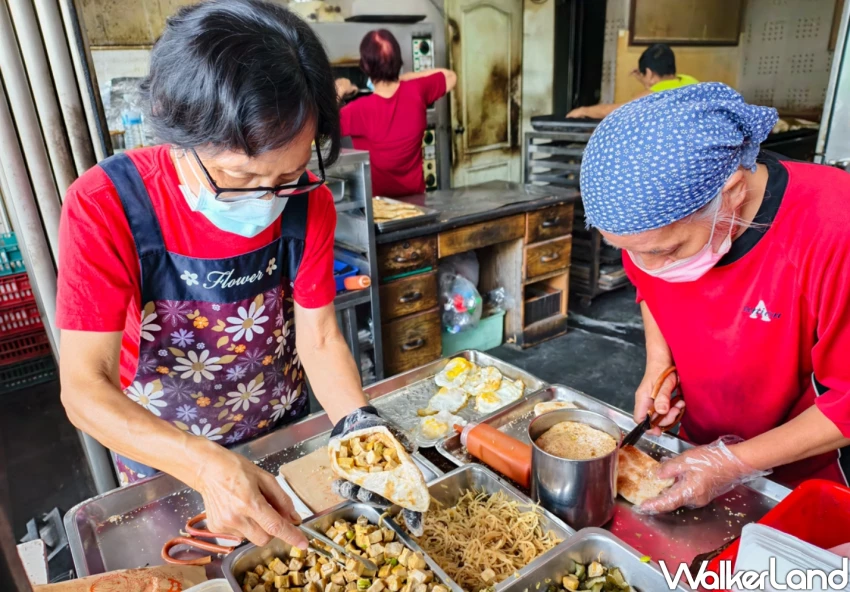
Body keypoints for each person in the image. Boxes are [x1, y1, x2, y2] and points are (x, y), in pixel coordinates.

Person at [57, 0, 417, 550]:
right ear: (178, 135)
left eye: (290, 175)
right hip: (168, 458)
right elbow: (85, 387)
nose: (268, 199)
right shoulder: (107, 204)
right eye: (240, 176)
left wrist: (358, 424)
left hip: (282, 434)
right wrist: (201, 466)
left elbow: (318, 338)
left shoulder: (307, 203)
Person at [579, 83, 850, 514]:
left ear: (734, 190)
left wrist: (731, 463)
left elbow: (847, 403)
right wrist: (657, 364)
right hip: (692, 446)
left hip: (796, 477)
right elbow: (650, 287)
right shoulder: (650, 237)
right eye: (626, 250)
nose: (644, 266)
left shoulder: (834, 226)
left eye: (665, 252)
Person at [335, 29, 456, 197]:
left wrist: (339, 90)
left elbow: (320, 129)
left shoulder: (357, 111)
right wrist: (407, 78)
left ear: (365, 66)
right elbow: (450, 77)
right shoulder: (417, 91)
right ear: (398, 60)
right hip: (418, 201)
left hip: (379, 207)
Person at [567, 43, 698, 119]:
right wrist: (646, 80)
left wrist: (583, 110)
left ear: (649, 73)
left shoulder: (654, 96)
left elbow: (616, 110)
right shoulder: (690, 80)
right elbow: (662, 87)